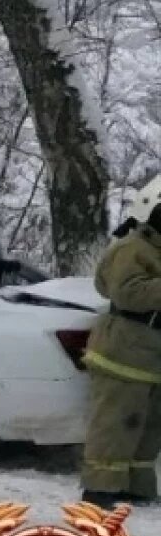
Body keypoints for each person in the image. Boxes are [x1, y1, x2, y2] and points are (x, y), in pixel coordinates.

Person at [79, 187, 161, 508]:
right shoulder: (132, 248)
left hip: (151, 356)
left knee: (147, 427)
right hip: (124, 352)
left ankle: (136, 486)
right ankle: (99, 490)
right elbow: (128, 293)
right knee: (115, 424)